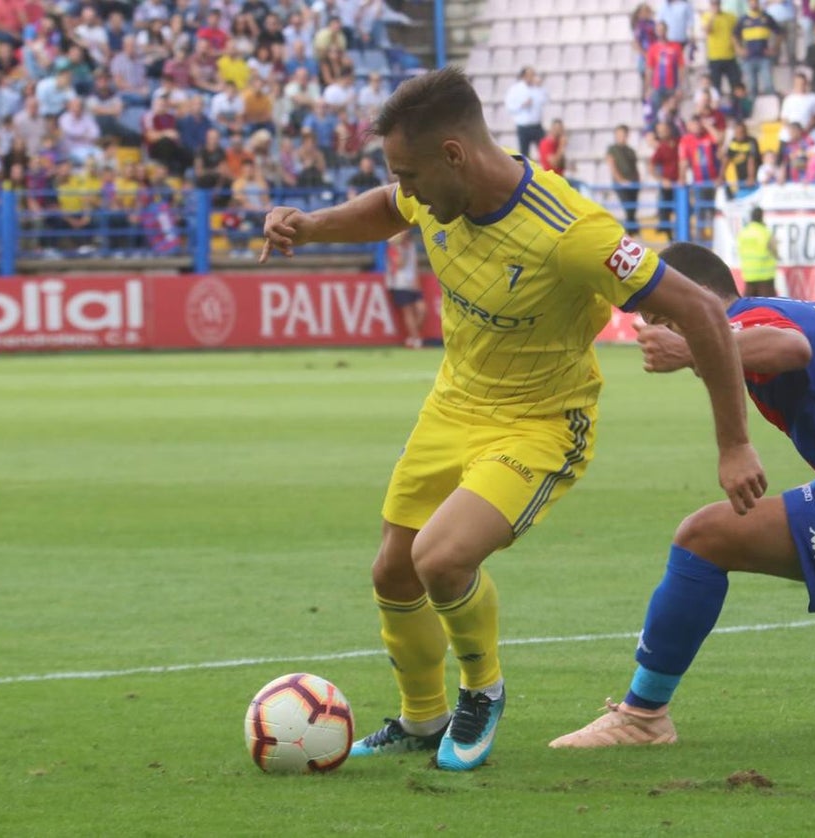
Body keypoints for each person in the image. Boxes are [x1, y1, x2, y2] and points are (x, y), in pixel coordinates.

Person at [259, 66, 767, 772]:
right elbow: (386, 205)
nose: (406, 191)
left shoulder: (572, 233)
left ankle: (482, 689)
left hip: (540, 420)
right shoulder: (431, 197)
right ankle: (421, 718)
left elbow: (703, 309)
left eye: (411, 174)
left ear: (455, 155)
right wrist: (312, 227)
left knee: (440, 558)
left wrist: (735, 443)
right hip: (454, 402)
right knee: (393, 573)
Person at [549, 242, 815, 749]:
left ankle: (643, 715)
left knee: (703, 537)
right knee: (812, 526)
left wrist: (695, 348)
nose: (657, 332)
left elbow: (790, 350)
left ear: (695, 298)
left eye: (659, 316)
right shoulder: (788, 310)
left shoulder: (752, 320)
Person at [386, 228, 425, 350]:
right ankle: (417, 340)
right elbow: (399, 264)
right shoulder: (393, 249)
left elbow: (414, 266)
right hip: (400, 283)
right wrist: (398, 248)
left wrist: (417, 282)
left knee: (422, 310)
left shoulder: (411, 247)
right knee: (408, 313)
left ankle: (412, 338)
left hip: (413, 284)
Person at [504, 66, 548, 160]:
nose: (532, 77)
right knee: (524, 153)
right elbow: (510, 106)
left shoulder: (537, 88)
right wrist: (522, 105)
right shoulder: (515, 89)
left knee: (544, 151)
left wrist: (540, 87)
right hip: (523, 126)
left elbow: (545, 100)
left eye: (533, 75)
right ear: (523, 76)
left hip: (537, 125)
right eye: (530, 75)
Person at [606, 124, 641, 236]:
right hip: (621, 184)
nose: (622, 137)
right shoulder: (612, 149)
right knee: (628, 208)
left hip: (633, 184)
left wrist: (637, 181)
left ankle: (631, 232)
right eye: (620, 134)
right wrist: (621, 181)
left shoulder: (630, 151)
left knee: (633, 209)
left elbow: (635, 167)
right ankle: (630, 232)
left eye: (624, 134)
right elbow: (612, 166)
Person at [737, 206, 777, 296]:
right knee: (767, 306)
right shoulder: (765, 232)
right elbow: (774, 251)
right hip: (765, 276)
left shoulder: (744, 232)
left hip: (749, 275)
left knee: (749, 306)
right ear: (762, 217)